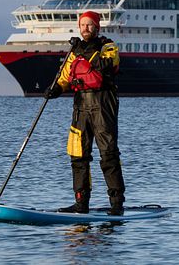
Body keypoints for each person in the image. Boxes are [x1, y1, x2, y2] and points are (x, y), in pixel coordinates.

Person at [43, 11, 126, 215]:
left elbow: (108, 64)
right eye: (83, 25)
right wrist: (56, 89)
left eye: (90, 25)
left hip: (103, 103)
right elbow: (65, 77)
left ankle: (116, 204)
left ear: (97, 27)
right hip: (80, 105)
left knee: (108, 154)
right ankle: (81, 203)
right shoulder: (74, 51)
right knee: (78, 155)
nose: (85, 29)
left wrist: (84, 54)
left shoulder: (108, 46)